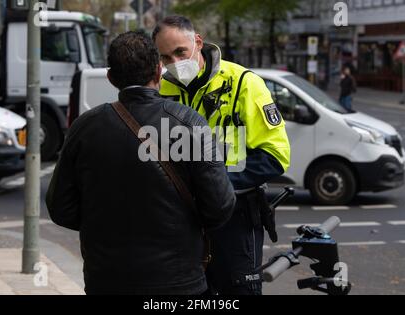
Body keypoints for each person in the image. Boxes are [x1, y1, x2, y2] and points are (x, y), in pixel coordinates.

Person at [46, 31, 236, 295]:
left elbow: (60, 207)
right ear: (159, 71)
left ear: (111, 78)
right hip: (178, 282)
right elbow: (220, 206)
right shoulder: (189, 123)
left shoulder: (85, 128)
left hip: (107, 279)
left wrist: (104, 227)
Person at [153, 16, 291, 295]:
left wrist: (215, 181)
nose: (175, 63)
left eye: (181, 52)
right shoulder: (160, 89)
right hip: (182, 220)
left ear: (198, 43)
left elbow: (276, 155)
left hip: (235, 216)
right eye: (165, 57)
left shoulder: (243, 84)